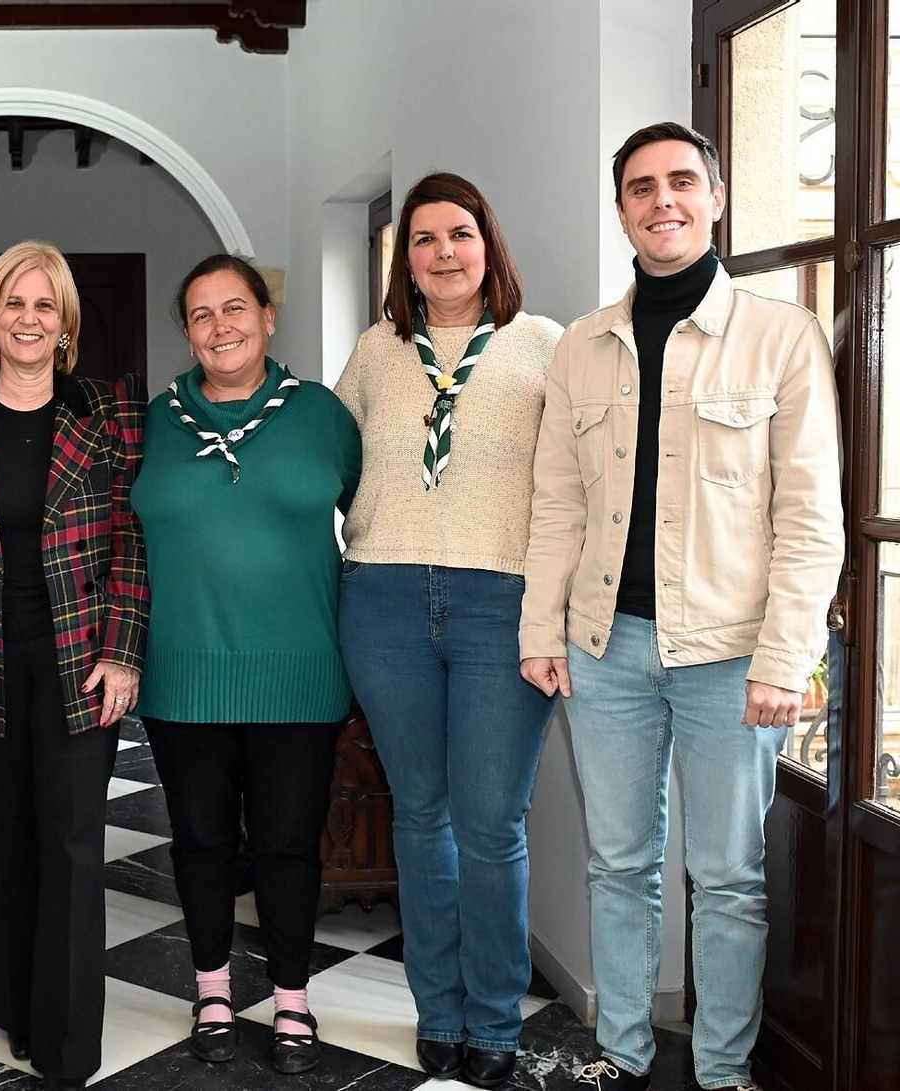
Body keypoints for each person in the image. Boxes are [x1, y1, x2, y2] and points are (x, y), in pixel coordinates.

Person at [520, 122, 842, 1091]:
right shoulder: (581, 345)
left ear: (714, 198)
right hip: (603, 647)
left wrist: (785, 656)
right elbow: (556, 504)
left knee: (729, 878)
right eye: (639, 187)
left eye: (679, 183)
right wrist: (541, 629)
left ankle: (719, 1070)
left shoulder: (780, 335)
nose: (661, 200)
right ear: (620, 208)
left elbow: (810, 512)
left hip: (729, 656)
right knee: (619, 866)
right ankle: (620, 1052)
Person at [332, 173, 563, 1088]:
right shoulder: (376, 352)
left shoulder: (544, 346)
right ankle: (438, 1009)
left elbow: (576, 489)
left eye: (458, 234)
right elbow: (327, 462)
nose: (442, 253)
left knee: (493, 823)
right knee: (421, 818)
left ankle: (495, 1017)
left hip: (501, 603)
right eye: (422, 240)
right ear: (406, 261)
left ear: (488, 244)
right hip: (383, 597)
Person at [0, 240, 148, 1091]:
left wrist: (123, 651)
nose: (29, 319)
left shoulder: (112, 413)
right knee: (6, 841)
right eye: (14, 303)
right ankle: (14, 1001)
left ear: (66, 322)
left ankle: (69, 1040)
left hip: (81, 656)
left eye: (45, 306)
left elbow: (132, 541)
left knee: (75, 843)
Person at [130, 253, 360, 1075]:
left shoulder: (325, 415)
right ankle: (214, 989)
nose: (221, 326)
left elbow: (374, 523)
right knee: (198, 842)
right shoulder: (151, 421)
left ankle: (293, 998)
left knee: (288, 846)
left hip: (299, 674)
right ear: (185, 332)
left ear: (269, 317)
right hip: (182, 676)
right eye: (201, 314)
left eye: (236, 308)